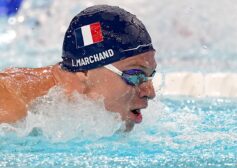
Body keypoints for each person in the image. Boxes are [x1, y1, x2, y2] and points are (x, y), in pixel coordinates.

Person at [0, 5, 157, 131]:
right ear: (85, 71)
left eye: (151, 76)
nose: (150, 93)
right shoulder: (10, 108)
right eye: (136, 75)